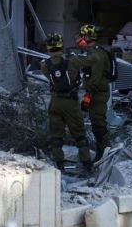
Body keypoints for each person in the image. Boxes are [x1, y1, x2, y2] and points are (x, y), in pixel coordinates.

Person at [40, 33, 92, 176]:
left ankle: (59, 167)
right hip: (70, 102)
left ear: (48, 48)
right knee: (80, 135)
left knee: (56, 137)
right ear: (61, 46)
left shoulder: (44, 65)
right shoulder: (73, 61)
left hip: (55, 102)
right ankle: (88, 166)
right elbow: (91, 60)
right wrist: (85, 46)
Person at [73, 24, 118, 162]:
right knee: (95, 123)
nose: (82, 38)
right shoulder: (94, 52)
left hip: (97, 93)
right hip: (95, 92)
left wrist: (88, 95)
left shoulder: (98, 55)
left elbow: (96, 77)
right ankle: (103, 151)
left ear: (90, 37)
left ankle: (104, 154)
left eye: (84, 36)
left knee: (99, 124)